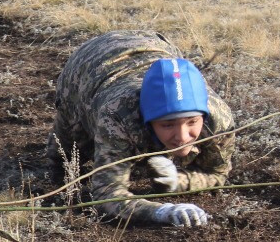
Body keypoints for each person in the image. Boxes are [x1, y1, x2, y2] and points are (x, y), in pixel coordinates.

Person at [47, 31, 235, 227]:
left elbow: (217, 174)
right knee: (64, 159)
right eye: (167, 124)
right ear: (147, 120)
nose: (182, 137)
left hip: (150, 45)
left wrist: (177, 182)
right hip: (89, 64)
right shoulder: (117, 116)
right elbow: (107, 195)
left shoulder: (218, 118)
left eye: (191, 122)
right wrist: (161, 212)